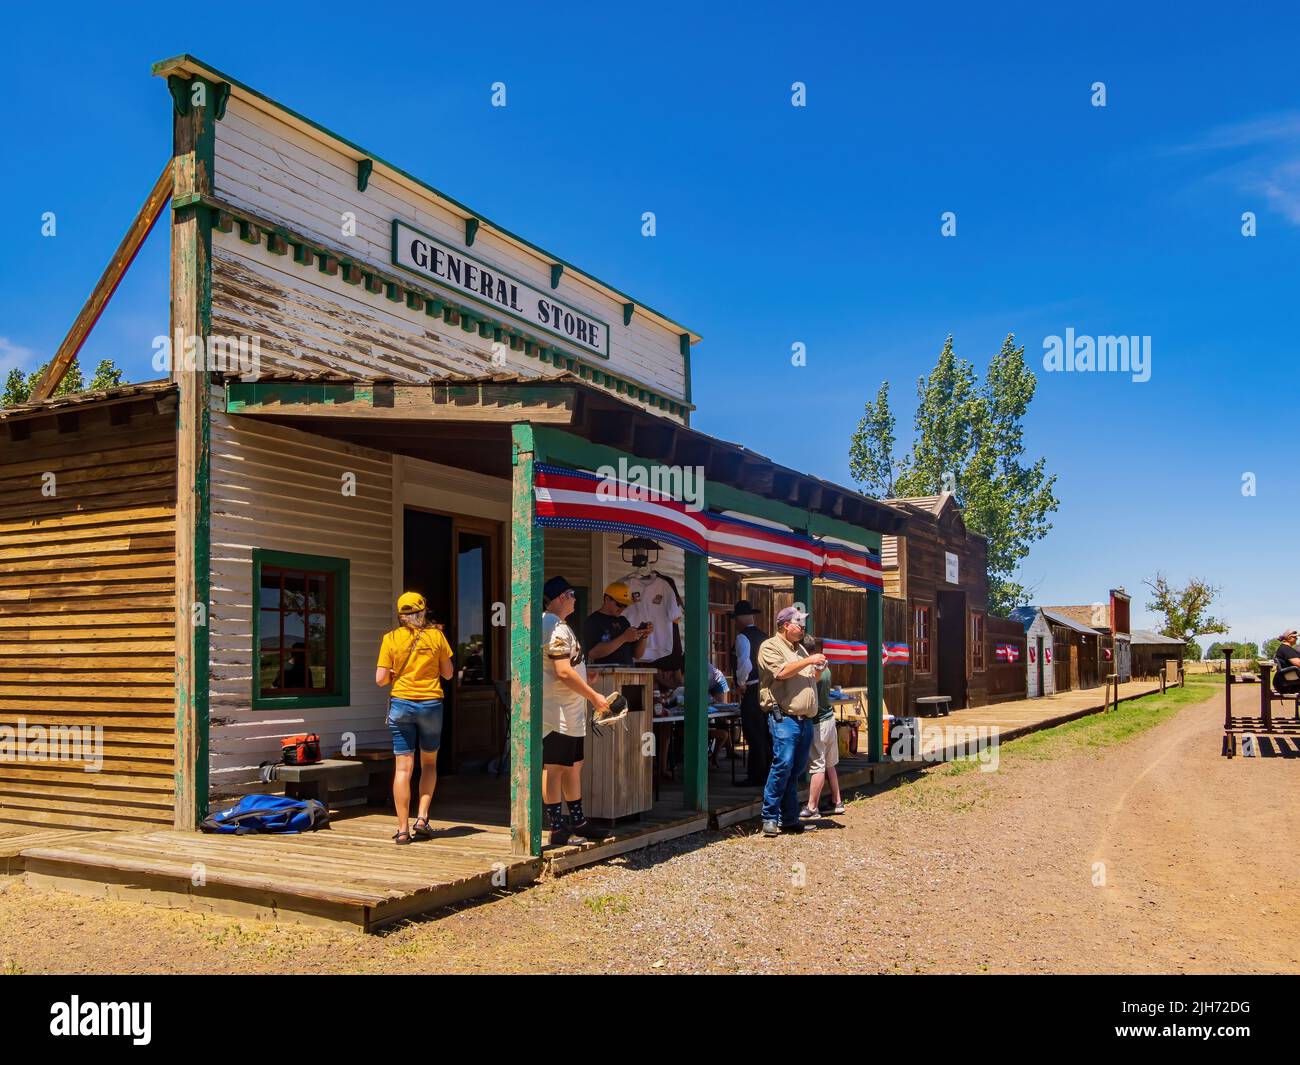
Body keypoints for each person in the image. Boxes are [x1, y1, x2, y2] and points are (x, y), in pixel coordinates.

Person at [375, 592, 454, 845]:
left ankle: (402, 830)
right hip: (431, 704)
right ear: (422, 611)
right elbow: (449, 674)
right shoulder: (436, 636)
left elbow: (380, 680)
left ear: (401, 615)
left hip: (401, 704)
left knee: (403, 768)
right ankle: (422, 818)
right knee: (429, 763)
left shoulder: (390, 639)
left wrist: (395, 672)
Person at [541, 575, 613, 846]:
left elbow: (567, 666)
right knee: (555, 767)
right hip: (556, 711)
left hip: (569, 710)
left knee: (573, 765)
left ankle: (579, 821)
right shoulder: (554, 628)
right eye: (571, 595)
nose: (574, 599)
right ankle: (557, 827)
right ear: (561, 597)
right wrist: (594, 696)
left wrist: (585, 680)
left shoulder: (557, 625)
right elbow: (561, 671)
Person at [756, 605, 825, 836]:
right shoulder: (770, 646)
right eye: (799, 623)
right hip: (783, 717)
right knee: (782, 764)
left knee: (794, 770)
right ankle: (769, 816)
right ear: (786, 625)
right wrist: (808, 661)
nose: (803, 627)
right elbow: (781, 672)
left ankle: (789, 817)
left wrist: (817, 669)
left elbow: (810, 679)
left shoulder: (801, 650)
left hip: (804, 720)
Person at [799, 638, 845, 821]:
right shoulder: (825, 667)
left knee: (817, 765)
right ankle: (837, 801)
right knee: (829, 764)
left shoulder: (813, 669)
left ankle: (812, 807)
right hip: (829, 717)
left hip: (818, 721)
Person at [733, 600, 770, 786]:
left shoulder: (742, 637)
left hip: (753, 688)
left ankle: (756, 775)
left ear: (741, 618)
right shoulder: (765, 636)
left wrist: (741, 683)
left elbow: (745, 664)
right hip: (767, 688)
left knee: (754, 733)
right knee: (766, 732)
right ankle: (767, 773)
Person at [581, 581, 651, 666]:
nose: (622, 609)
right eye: (619, 604)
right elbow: (593, 653)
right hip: (605, 675)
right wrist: (623, 638)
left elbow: (637, 655)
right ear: (607, 599)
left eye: (625, 605)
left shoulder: (623, 621)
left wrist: (644, 636)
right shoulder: (593, 621)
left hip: (627, 673)